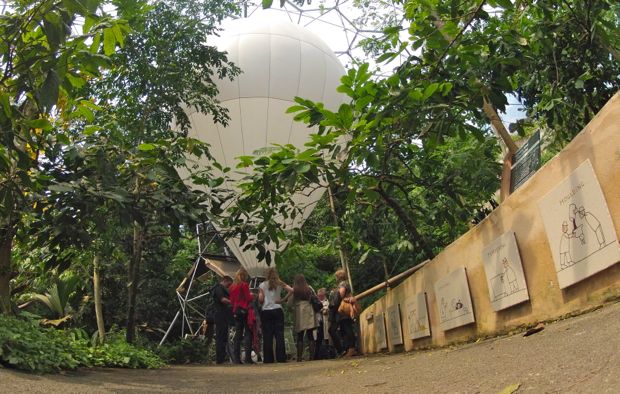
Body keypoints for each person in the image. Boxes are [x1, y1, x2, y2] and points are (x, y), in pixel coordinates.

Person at [258, 267, 292, 363]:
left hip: (266, 311)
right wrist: (282, 300)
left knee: (267, 335)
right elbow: (292, 290)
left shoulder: (262, 285)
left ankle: (268, 359)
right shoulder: (280, 283)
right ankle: (281, 358)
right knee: (279, 335)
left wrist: (260, 300)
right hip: (278, 309)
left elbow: (261, 299)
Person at [288, 274, 318, 361]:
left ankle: (299, 357)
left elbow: (289, 303)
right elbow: (315, 298)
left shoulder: (294, 289)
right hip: (309, 311)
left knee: (300, 335)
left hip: (299, 311)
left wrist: (291, 309)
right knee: (310, 335)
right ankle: (312, 357)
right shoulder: (309, 288)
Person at [229, 268, 254, 364]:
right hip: (244, 311)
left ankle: (236, 359)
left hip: (236, 311)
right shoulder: (244, 285)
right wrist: (253, 295)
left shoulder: (232, 287)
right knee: (248, 333)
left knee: (238, 335)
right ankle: (248, 358)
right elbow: (248, 298)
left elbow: (231, 301)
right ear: (244, 276)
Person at [333, 269, 357, 358]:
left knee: (347, 328)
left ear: (339, 277)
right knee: (345, 327)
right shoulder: (346, 283)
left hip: (344, 307)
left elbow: (342, 294)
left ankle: (351, 349)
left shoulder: (343, 284)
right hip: (346, 307)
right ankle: (349, 349)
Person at [212, 275, 233, 364]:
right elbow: (223, 300)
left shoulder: (223, 289)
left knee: (223, 336)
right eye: (229, 284)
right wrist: (234, 302)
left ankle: (222, 357)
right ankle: (219, 358)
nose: (229, 286)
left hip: (224, 315)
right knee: (220, 337)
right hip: (220, 315)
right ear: (225, 280)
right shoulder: (218, 288)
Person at [314, 288, 329, 360]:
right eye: (318, 295)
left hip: (324, 322)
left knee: (326, 339)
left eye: (320, 295)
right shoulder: (317, 302)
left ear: (323, 295)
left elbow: (325, 311)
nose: (318, 297)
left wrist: (321, 309)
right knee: (318, 340)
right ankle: (316, 355)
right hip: (318, 323)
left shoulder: (326, 302)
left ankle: (327, 354)